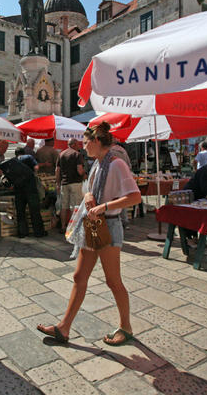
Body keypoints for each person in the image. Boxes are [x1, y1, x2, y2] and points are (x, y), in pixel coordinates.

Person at [37, 122, 141, 346]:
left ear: (95, 141)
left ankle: (126, 327)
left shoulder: (116, 164)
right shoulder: (99, 163)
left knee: (113, 281)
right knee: (79, 277)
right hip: (94, 226)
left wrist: (102, 207)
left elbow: (135, 197)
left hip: (109, 226)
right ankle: (64, 328)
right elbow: (88, 190)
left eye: (85, 143)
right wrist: (88, 198)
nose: (83, 148)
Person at [0, 148, 46, 238]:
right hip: (30, 188)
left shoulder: (13, 162)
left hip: (19, 189)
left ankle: (22, 232)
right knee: (34, 210)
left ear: (16, 154)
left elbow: (7, 176)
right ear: (23, 153)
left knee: (20, 212)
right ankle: (39, 232)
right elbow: (36, 167)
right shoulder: (29, 157)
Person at [56, 138, 85, 230]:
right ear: (73, 144)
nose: (79, 146)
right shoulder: (77, 154)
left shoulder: (61, 154)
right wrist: (84, 174)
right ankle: (73, 227)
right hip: (75, 182)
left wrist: (58, 183)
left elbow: (57, 170)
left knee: (64, 206)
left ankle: (63, 226)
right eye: (77, 144)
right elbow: (79, 169)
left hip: (64, 183)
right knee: (75, 206)